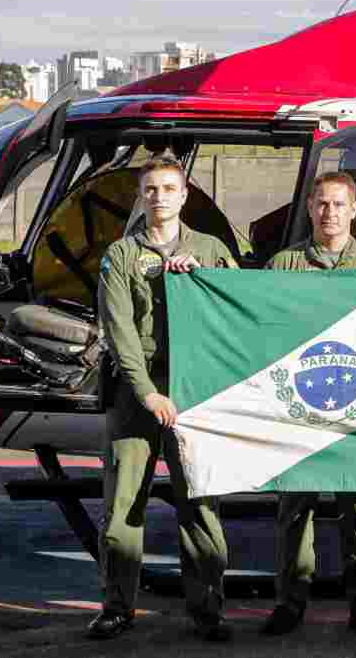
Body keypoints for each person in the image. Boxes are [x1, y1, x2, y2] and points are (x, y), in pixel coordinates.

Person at [88, 156, 238, 642]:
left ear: (184, 194)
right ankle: (116, 607)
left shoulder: (212, 250)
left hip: (195, 392)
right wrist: (148, 392)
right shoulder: (120, 255)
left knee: (199, 504)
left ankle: (208, 610)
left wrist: (204, 280)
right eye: (150, 189)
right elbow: (119, 329)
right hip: (138, 395)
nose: (159, 197)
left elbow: (240, 304)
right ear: (141, 196)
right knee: (122, 510)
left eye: (168, 188)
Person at [260, 170, 356, 638]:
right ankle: (289, 602)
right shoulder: (283, 267)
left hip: (354, 407)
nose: (330, 213)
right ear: (309, 208)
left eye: (339, 204)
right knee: (293, 509)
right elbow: (259, 328)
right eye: (321, 204)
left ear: (355, 209)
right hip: (299, 406)